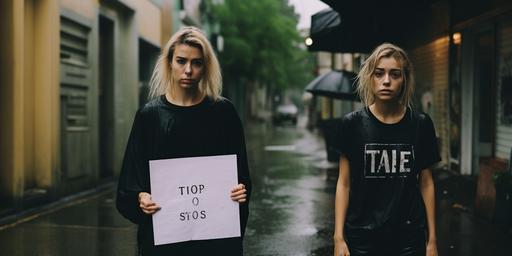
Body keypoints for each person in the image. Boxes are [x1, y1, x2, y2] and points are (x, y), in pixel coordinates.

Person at [116, 26, 251, 256]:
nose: (188, 70)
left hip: (214, 240)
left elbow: (241, 174)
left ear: (205, 67)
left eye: (197, 63)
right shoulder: (150, 116)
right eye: (181, 61)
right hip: (166, 238)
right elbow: (130, 181)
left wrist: (241, 190)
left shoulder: (223, 113)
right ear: (169, 62)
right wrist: (141, 197)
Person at [332, 43, 440, 256]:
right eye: (379, 73)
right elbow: (343, 183)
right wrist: (338, 238)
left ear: (404, 79)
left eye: (395, 74)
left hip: (408, 238)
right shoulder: (352, 124)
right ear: (370, 78)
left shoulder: (420, 124)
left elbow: (426, 183)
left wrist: (432, 240)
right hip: (362, 237)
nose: (387, 81)